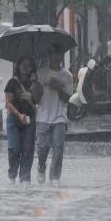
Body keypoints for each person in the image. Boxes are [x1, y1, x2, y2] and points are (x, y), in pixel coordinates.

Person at [35, 46, 73, 184]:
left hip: (60, 116)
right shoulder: (41, 73)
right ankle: (41, 166)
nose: (57, 57)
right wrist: (38, 86)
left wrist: (58, 88)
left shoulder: (67, 76)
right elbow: (36, 98)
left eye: (59, 54)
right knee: (42, 147)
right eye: (54, 54)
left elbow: (67, 99)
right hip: (43, 116)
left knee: (58, 147)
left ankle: (55, 176)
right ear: (49, 56)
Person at [4, 56, 39, 184]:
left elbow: (39, 100)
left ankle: (25, 178)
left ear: (32, 68)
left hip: (30, 120)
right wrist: (19, 115)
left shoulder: (35, 83)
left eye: (29, 65)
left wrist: (35, 84)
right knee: (14, 148)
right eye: (23, 64)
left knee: (28, 148)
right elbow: (8, 102)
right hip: (14, 119)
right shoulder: (12, 82)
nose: (26, 67)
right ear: (18, 66)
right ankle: (12, 174)